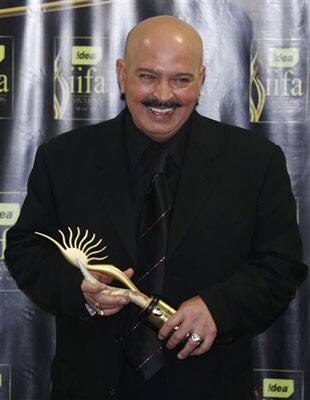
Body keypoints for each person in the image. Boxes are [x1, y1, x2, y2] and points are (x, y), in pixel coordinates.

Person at [5, 15, 307, 400]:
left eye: (181, 79)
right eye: (147, 76)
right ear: (121, 75)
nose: (163, 95)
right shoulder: (63, 159)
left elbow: (281, 266)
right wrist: (79, 291)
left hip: (210, 387)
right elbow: (25, 248)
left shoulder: (255, 163)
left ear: (201, 79)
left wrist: (219, 307)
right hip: (90, 385)